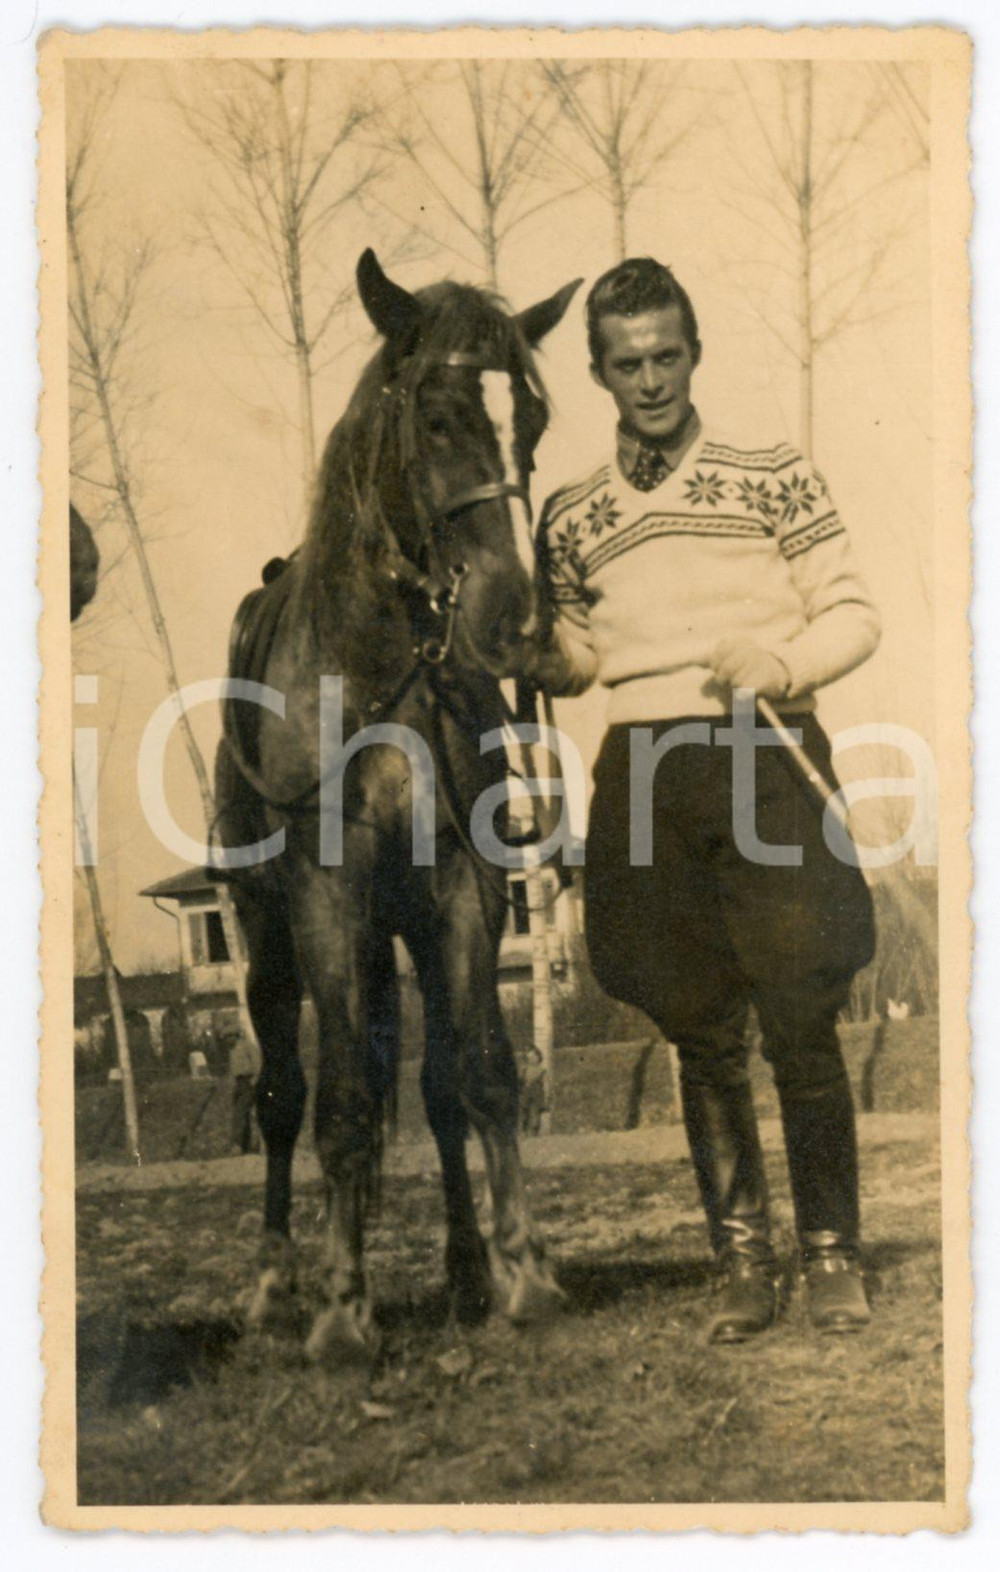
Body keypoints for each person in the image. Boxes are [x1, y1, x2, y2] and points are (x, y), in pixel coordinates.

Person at [532, 257, 880, 1342]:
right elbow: (579, 659)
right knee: (697, 1027)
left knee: (798, 1012)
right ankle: (743, 1263)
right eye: (626, 363)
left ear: (695, 351)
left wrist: (780, 660)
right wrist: (534, 652)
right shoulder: (569, 514)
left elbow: (854, 614)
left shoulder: (770, 472)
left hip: (761, 747)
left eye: (667, 355)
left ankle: (829, 1255)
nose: (650, 380)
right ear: (597, 372)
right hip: (641, 772)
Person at [226, 1026, 260, 1156]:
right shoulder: (232, 1050)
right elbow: (233, 1069)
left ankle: (238, 1145)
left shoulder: (248, 1046)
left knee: (240, 1113)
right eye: (226, 1037)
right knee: (241, 1114)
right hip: (238, 1083)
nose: (228, 1039)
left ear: (237, 1035)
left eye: (230, 1036)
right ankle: (246, 1146)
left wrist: (254, 1080)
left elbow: (257, 1063)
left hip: (249, 1082)